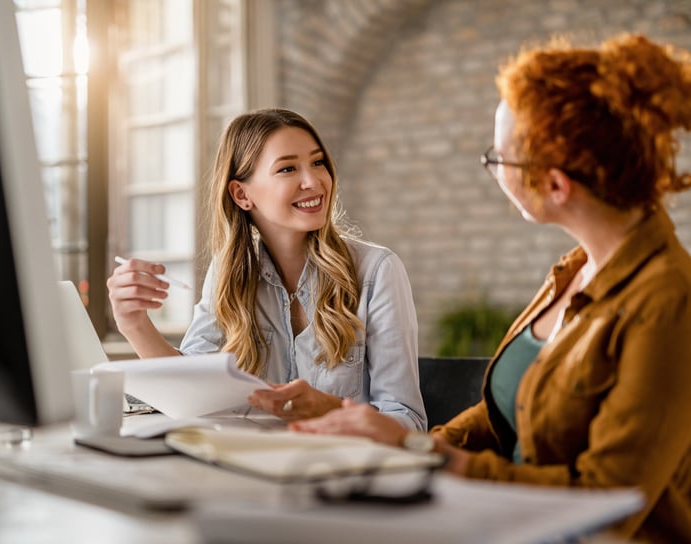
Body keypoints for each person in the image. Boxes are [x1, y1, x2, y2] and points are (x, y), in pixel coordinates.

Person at [290, 34, 691, 542]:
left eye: (498, 158)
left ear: (556, 185)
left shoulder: (668, 301)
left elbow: (609, 500)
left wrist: (425, 454)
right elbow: (506, 411)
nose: (492, 169)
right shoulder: (573, 271)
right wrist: (393, 444)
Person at [107, 108, 426, 431]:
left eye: (318, 163)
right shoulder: (229, 273)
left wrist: (327, 409)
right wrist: (134, 325)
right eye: (288, 168)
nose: (313, 181)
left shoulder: (377, 271)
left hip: (340, 472)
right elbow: (189, 392)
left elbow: (409, 423)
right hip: (248, 468)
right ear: (242, 194)